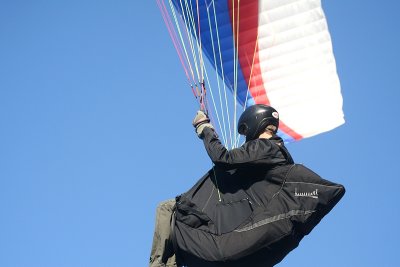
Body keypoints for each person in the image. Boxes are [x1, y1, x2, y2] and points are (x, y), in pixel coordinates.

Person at [149, 104, 292, 267]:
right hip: (243, 223)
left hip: (229, 218)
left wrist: (204, 128)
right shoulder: (279, 156)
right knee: (180, 228)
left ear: (255, 123)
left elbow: (223, 158)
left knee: (167, 209)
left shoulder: (265, 146)